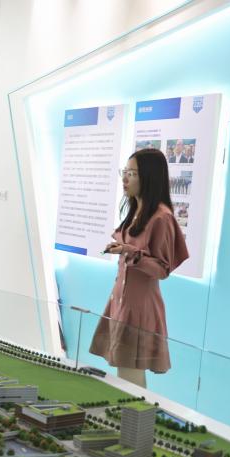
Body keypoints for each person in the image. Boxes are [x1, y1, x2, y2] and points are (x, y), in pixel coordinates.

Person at [89, 148, 189, 388]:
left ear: (149, 178)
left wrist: (130, 252)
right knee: (126, 373)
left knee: (130, 377)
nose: (125, 179)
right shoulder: (136, 210)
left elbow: (162, 270)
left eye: (132, 174)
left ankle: (137, 413)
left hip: (139, 308)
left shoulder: (161, 217)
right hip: (122, 302)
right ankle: (133, 412)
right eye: (125, 172)